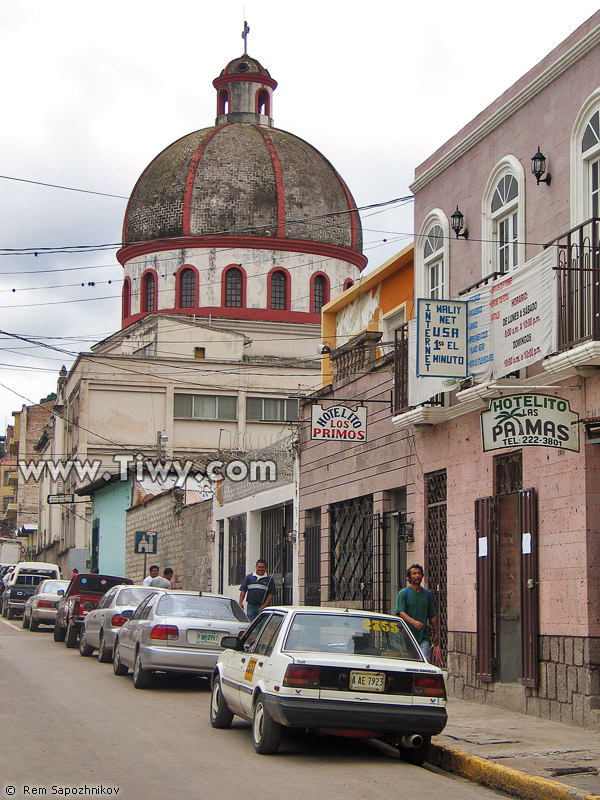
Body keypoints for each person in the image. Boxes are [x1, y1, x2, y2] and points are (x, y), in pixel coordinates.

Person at [395, 563, 439, 662]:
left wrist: (436, 632)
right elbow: (401, 612)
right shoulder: (403, 593)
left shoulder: (428, 595)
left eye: (419, 573)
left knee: (424, 662)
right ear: (409, 577)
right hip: (405, 637)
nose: (417, 576)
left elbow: (432, 615)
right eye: (414, 573)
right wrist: (413, 622)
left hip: (423, 637)